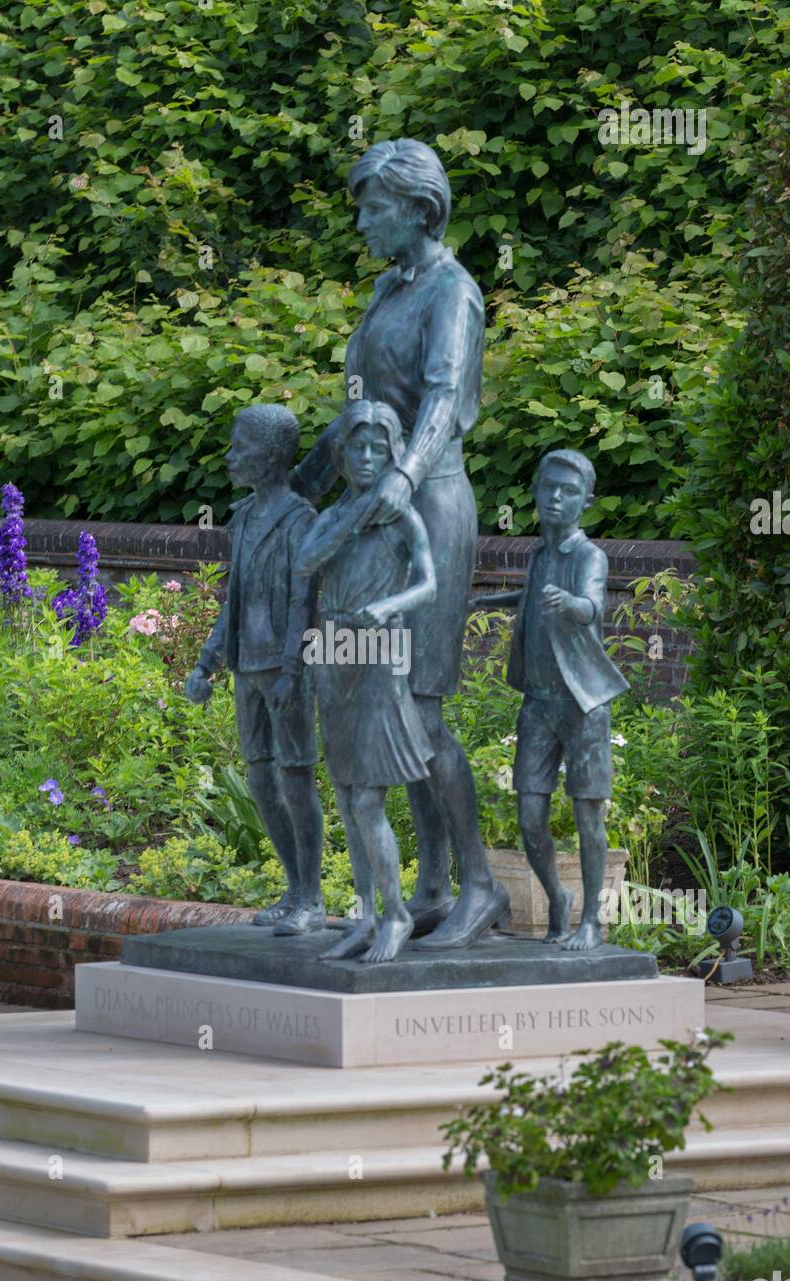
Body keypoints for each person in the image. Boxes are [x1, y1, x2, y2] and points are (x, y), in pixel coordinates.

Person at [293, 138, 510, 950]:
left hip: (431, 506)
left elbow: (446, 400)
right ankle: (428, 887)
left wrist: (404, 480)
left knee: (418, 702)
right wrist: (296, 490)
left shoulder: (454, 292)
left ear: (422, 210)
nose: (361, 222)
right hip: (373, 516)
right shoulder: (389, 291)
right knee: (385, 705)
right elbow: (359, 414)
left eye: (373, 207)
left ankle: (481, 885)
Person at [472, 448, 630, 951]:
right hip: (538, 703)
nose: (556, 498)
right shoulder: (539, 555)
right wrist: (484, 600)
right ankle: (557, 899)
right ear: (537, 494)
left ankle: (591, 923)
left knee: (587, 814)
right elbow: (529, 596)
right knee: (528, 816)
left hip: (583, 704)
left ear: (585, 501)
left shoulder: (590, 556)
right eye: (549, 488)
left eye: (568, 491)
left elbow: (592, 604)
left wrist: (573, 606)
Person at [296, 401, 436, 963]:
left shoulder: (405, 516)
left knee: (369, 799)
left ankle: (397, 916)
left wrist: (389, 607)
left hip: (379, 654)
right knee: (348, 796)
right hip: (334, 655)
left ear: (395, 452)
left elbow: (429, 583)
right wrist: (357, 511)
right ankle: (364, 914)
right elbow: (306, 561)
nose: (369, 457)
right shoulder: (335, 516)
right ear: (343, 453)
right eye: (358, 447)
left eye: (381, 448)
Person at [185, 405, 326, 936]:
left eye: (238, 446)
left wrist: (293, 670)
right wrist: (208, 661)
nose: (229, 455)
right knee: (261, 779)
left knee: (296, 777)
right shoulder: (242, 518)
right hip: (247, 664)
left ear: (269, 457)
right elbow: (233, 600)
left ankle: (312, 898)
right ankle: (294, 888)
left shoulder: (300, 520)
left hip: (285, 670)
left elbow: (303, 603)